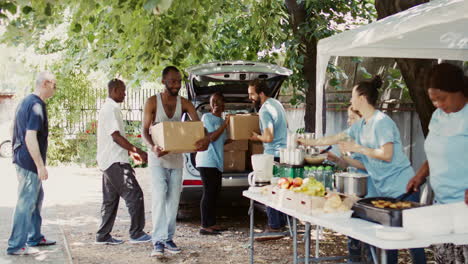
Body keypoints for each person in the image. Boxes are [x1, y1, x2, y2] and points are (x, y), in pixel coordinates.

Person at [299, 76, 426, 264]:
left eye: (352, 96)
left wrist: (359, 149)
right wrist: (305, 141)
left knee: (414, 241)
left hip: (403, 188)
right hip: (385, 191)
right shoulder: (361, 125)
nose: (350, 100)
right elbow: (334, 139)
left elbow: (386, 154)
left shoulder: (381, 122)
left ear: (362, 97)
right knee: (386, 240)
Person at [142, 66, 209, 257]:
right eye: (172, 81)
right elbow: (144, 130)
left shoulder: (185, 103)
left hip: (176, 159)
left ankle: (168, 237)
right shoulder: (152, 102)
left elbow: (198, 126)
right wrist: (152, 147)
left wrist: (204, 138)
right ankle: (158, 241)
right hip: (158, 159)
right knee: (159, 198)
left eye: (179, 81)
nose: (176, 85)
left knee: (173, 202)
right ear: (163, 81)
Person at [406, 63, 468, 263]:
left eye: (442, 98)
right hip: (442, 206)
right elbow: (437, 153)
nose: (437, 104)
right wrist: (420, 174)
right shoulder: (438, 117)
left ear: (458, 90)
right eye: (433, 100)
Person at [95, 79, 151, 245]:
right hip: (115, 161)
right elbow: (116, 136)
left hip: (109, 160)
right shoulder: (111, 108)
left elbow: (116, 138)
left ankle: (103, 235)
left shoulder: (108, 108)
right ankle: (137, 233)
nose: (125, 94)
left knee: (110, 200)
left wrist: (129, 152)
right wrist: (137, 150)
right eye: (123, 91)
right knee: (135, 195)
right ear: (114, 90)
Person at [7, 72, 58, 255]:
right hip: (29, 163)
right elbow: (30, 136)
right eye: (54, 85)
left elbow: (13, 128)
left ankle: (34, 236)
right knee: (26, 202)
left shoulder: (25, 101)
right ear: (46, 83)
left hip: (22, 158)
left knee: (36, 199)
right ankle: (16, 245)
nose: (55, 89)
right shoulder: (36, 105)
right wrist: (40, 165)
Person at [248, 79, 288, 241]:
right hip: (284, 154)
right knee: (282, 189)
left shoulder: (265, 110)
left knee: (270, 190)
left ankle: (273, 226)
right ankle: (282, 224)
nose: (250, 97)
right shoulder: (277, 104)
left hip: (272, 155)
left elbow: (268, 137)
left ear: (261, 94)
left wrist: (255, 137)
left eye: (252, 94)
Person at [196, 92, 230, 235]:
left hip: (217, 162)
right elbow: (212, 137)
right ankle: (204, 226)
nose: (215, 104)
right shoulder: (207, 117)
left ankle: (212, 223)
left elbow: (224, 140)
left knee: (215, 193)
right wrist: (226, 125)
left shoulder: (223, 123)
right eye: (213, 101)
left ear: (223, 104)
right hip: (206, 160)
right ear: (210, 105)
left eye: (218, 101)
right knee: (209, 193)